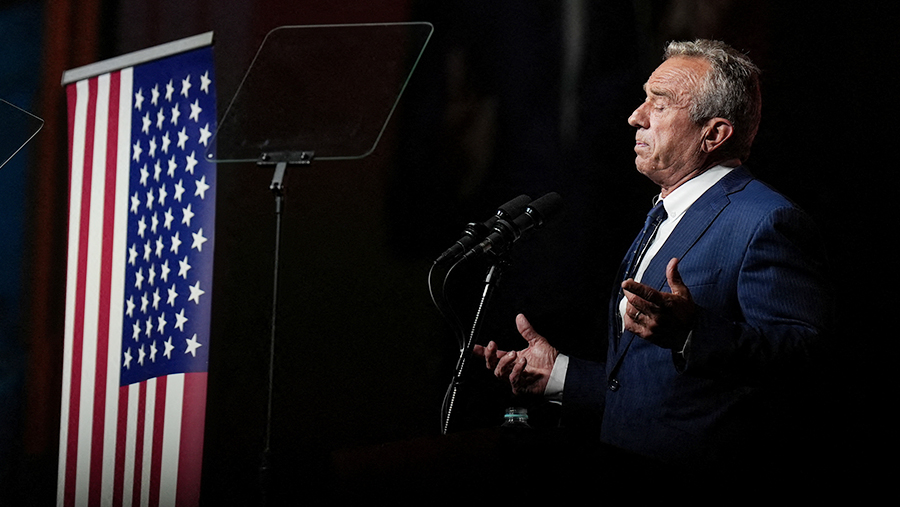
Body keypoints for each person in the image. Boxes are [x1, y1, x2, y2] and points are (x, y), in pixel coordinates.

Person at [474, 39, 831, 470]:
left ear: (714, 134)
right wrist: (560, 375)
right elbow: (651, 387)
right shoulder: (666, 212)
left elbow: (802, 358)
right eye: (644, 99)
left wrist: (692, 334)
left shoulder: (766, 220)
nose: (635, 116)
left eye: (659, 105)